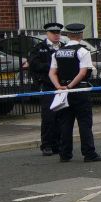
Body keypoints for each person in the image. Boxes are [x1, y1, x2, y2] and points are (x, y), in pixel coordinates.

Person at [49, 23, 101, 163]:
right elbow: (83, 72)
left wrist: (59, 86)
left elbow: (52, 72)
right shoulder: (82, 51)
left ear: (67, 35)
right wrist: (70, 86)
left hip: (63, 91)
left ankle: (65, 154)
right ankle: (89, 153)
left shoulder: (58, 52)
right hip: (79, 90)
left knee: (65, 123)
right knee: (84, 123)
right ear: (81, 35)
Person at [27, 22, 63, 156]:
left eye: (58, 33)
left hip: (62, 86)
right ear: (47, 34)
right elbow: (34, 65)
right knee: (49, 117)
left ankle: (57, 144)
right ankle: (46, 145)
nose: (56, 35)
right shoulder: (39, 48)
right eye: (53, 33)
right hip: (47, 85)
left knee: (61, 116)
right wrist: (52, 67)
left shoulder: (63, 48)